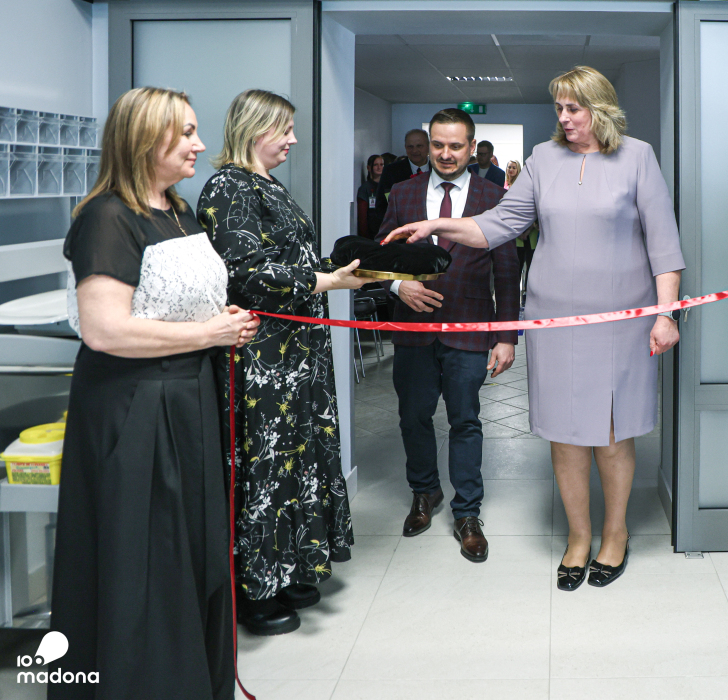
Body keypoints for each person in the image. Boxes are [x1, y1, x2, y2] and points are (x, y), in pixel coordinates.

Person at [383, 66, 685, 590]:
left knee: (611, 433)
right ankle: (579, 536)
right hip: (553, 320)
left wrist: (666, 313)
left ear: (600, 108)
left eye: (573, 108)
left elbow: (663, 243)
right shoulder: (543, 160)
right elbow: (498, 224)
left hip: (620, 321)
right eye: (559, 109)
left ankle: (615, 534)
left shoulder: (638, 157)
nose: (563, 118)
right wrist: (438, 225)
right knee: (564, 434)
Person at [51, 86, 258, 700]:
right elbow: (104, 330)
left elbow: (173, 301)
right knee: (143, 552)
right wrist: (208, 333)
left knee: (191, 548)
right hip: (134, 406)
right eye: (186, 133)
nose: (199, 144)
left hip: (189, 397)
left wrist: (220, 321)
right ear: (146, 139)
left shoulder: (179, 210)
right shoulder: (106, 217)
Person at [198, 89, 365, 635]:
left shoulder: (268, 185)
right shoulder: (228, 187)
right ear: (255, 130)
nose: (293, 139)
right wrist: (327, 281)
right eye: (284, 129)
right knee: (265, 467)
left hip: (299, 352)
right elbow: (245, 273)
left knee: (297, 460)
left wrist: (341, 270)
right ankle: (255, 589)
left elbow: (290, 259)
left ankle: (290, 566)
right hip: (262, 355)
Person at [377, 108, 520, 562]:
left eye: (455, 146)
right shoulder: (403, 193)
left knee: (466, 420)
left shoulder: (494, 196)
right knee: (413, 416)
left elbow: (507, 270)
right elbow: (378, 255)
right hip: (412, 328)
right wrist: (398, 285)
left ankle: (467, 512)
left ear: (472, 147)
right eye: (437, 144)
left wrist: (506, 336)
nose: (445, 154)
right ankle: (424, 492)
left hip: (470, 327)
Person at [356, 152, 385, 238]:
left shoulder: (387, 186)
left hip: (386, 230)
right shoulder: (365, 188)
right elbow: (362, 217)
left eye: (381, 165)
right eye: (376, 165)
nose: (379, 167)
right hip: (372, 234)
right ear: (368, 168)